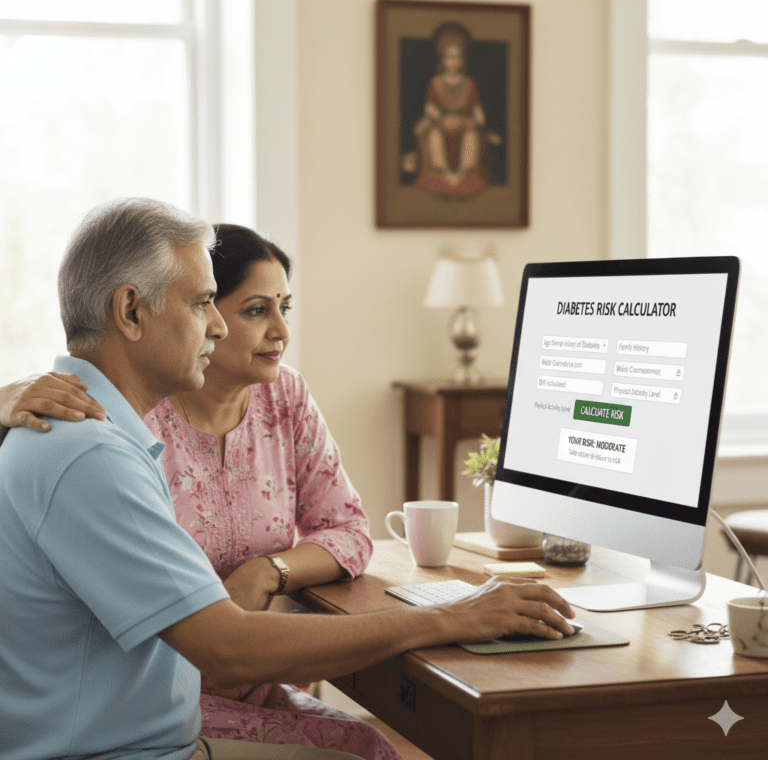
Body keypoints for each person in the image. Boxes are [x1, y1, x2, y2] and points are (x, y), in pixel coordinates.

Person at [0, 197, 576, 760]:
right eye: (204, 303)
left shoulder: (99, 437)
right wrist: (450, 617)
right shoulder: (89, 455)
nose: (219, 328)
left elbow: (343, 529)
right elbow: (225, 648)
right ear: (130, 312)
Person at [411, 22, 498, 198]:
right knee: (433, 132)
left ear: (461, 61)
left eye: (457, 57)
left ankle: (464, 174)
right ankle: (443, 173)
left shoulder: (469, 83)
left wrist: (481, 119)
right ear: (443, 60)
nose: (453, 61)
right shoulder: (435, 82)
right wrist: (433, 115)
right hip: (441, 120)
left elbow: (476, 108)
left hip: (464, 121)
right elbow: (430, 107)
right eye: (449, 57)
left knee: (472, 132)